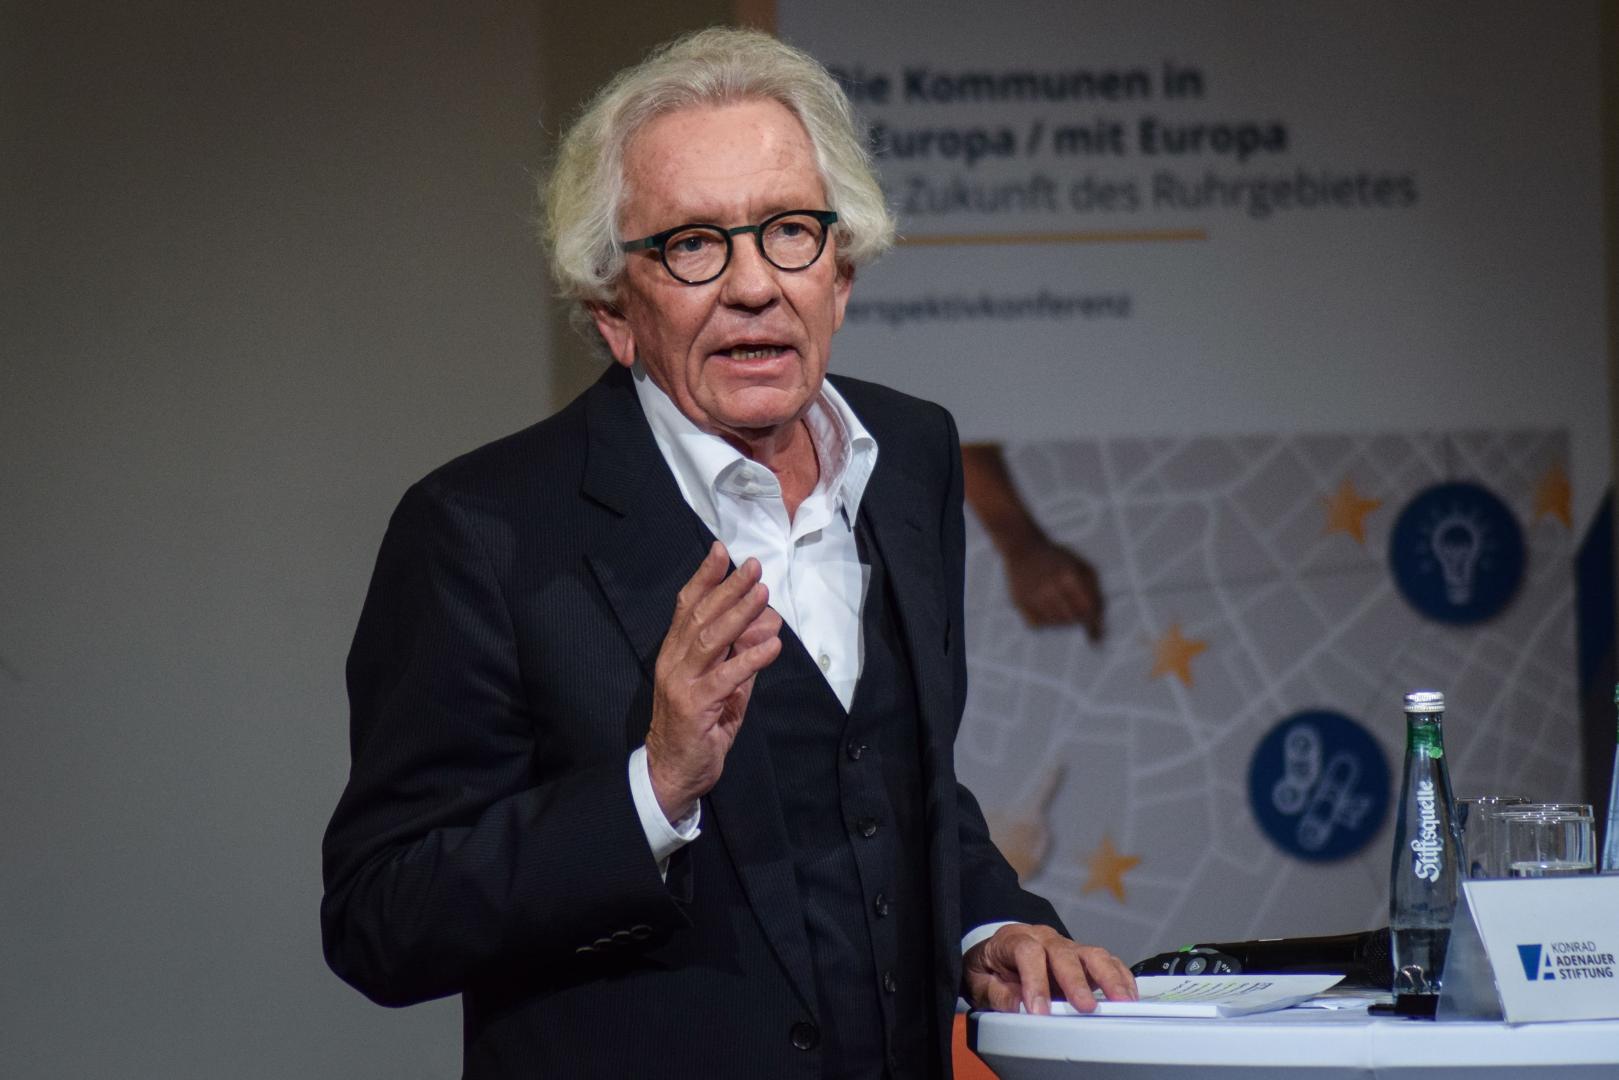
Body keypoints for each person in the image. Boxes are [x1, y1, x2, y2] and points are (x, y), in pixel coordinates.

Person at [321, 27, 1134, 1080]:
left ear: (840, 274)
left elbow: (894, 789)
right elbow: (382, 918)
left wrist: (990, 925)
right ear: (613, 311)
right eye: (694, 245)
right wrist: (652, 787)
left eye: (789, 231)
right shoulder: (482, 530)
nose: (754, 284)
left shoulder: (911, 456)